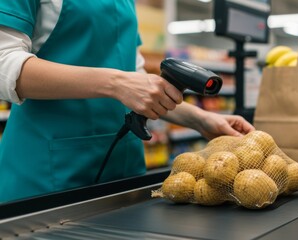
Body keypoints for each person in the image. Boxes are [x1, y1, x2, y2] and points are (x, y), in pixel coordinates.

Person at [0, 1, 255, 203]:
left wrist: (201, 119)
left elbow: (135, 75)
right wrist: (116, 83)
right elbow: (4, 61)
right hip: (49, 174)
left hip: (125, 169)